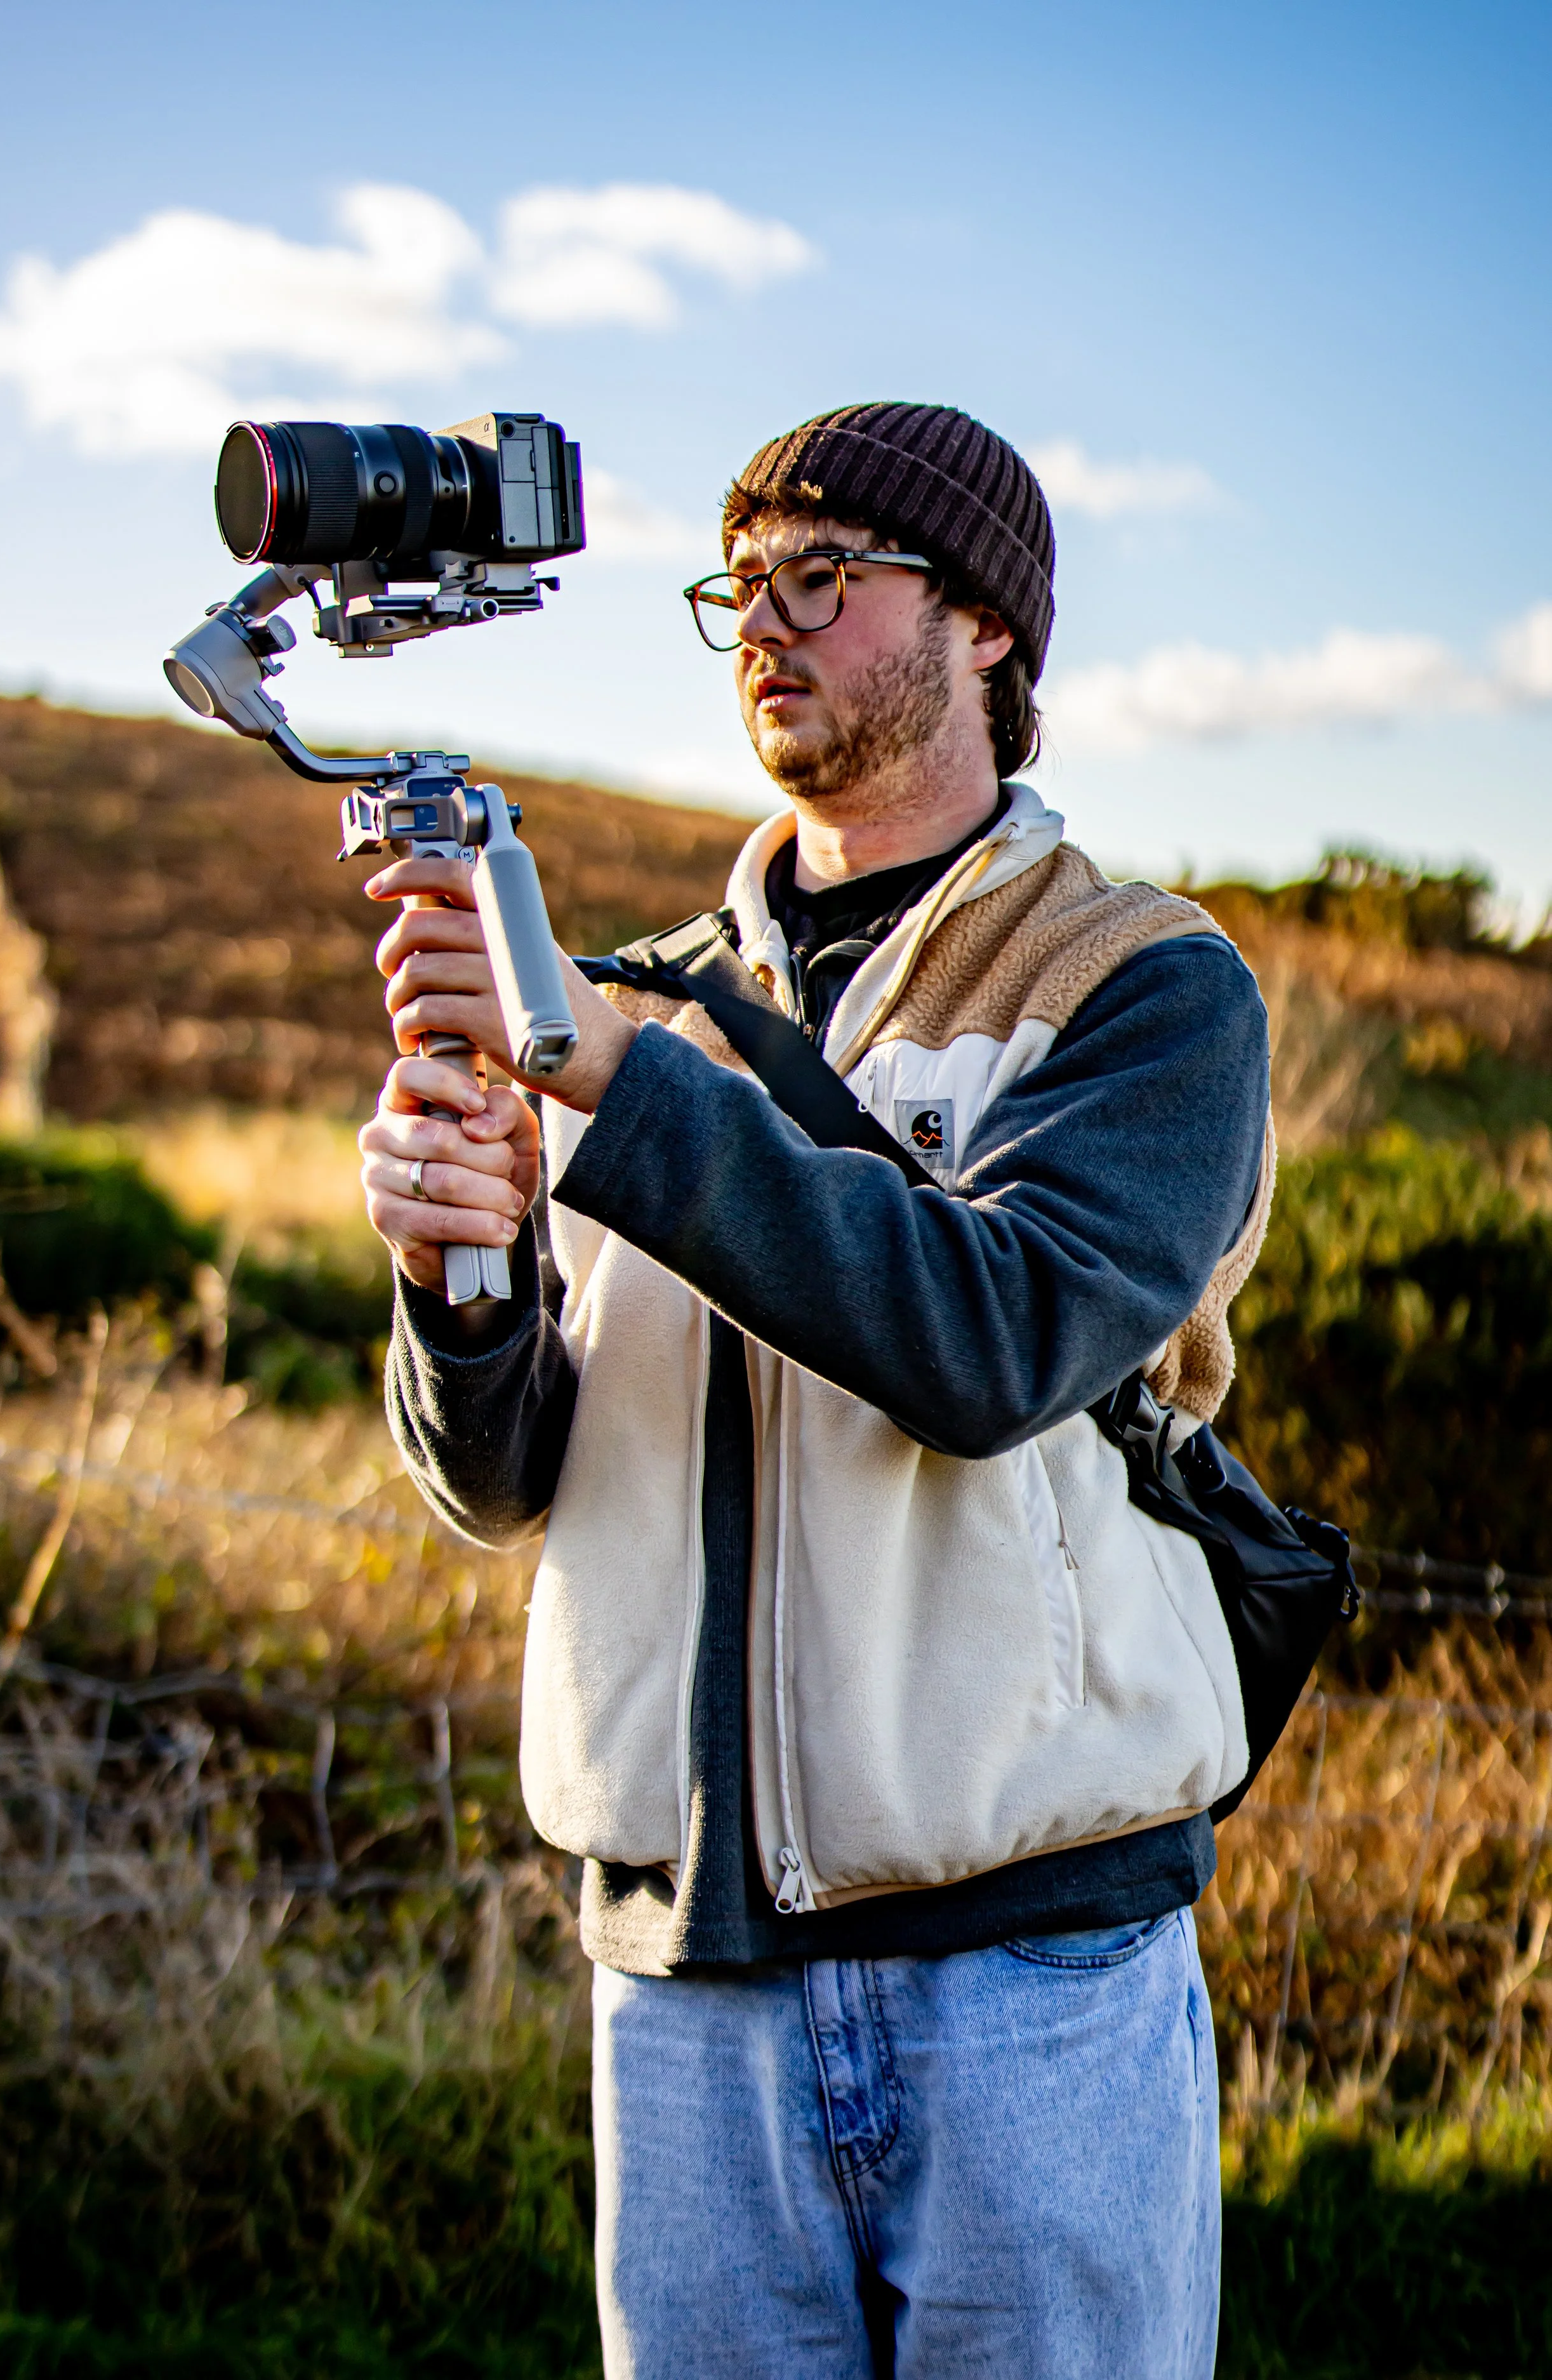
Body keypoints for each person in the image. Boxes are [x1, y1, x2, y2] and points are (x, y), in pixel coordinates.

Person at [359, 402, 1271, 2379]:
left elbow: (991, 1343)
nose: (762, 622)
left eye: (821, 575)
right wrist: (456, 1283)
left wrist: (611, 1084)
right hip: (681, 1985)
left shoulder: (1142, 987)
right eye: (739, 586)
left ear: (985, 626)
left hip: (1029, 1978)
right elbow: (502, 1482)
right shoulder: (630, 1002)